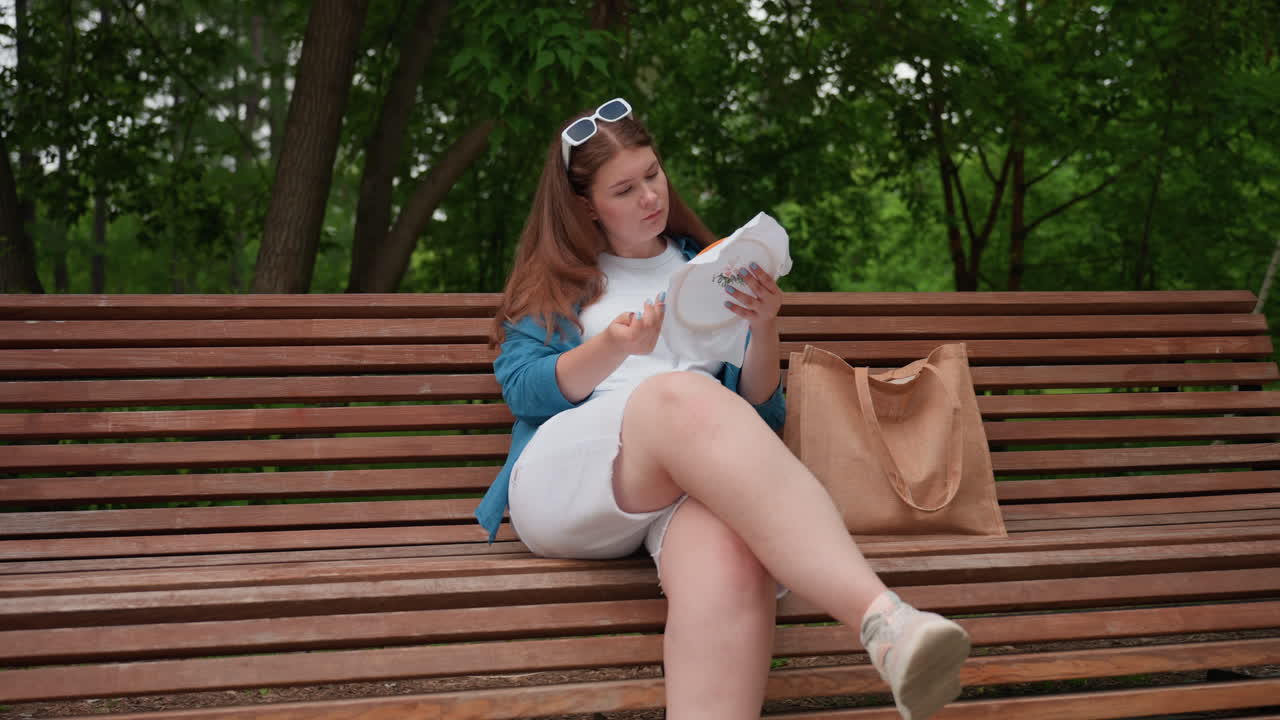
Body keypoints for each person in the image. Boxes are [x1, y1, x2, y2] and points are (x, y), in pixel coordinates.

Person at [475, 98, 970, 720]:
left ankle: (890, 633)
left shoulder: (705, 268)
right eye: (624, 189)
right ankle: (881, 617)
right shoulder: (562, 280)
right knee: (678, 393)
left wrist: (764, 330)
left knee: (735, 556)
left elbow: (759, 416)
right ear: (584, 205)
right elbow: (522, 388)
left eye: (652, 175)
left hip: (682, 489)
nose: (649, 196)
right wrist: (615, 346)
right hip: (566, 482)